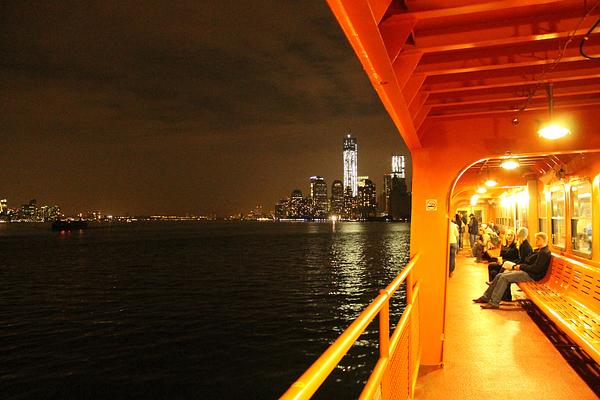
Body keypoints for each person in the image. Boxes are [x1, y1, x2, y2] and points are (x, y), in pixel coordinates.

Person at [473, 232, 551, 309]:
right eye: (536, 239)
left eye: (538, 239)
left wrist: (520, 267)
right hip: (528, 272)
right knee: (500, 275)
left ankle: (494, 302)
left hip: (532, 276)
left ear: (544, 240)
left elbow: (535, 269)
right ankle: (485, 297)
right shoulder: (539, 250)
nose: (536, 241)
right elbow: (528, 261)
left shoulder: (544, 253)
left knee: (504, 277)